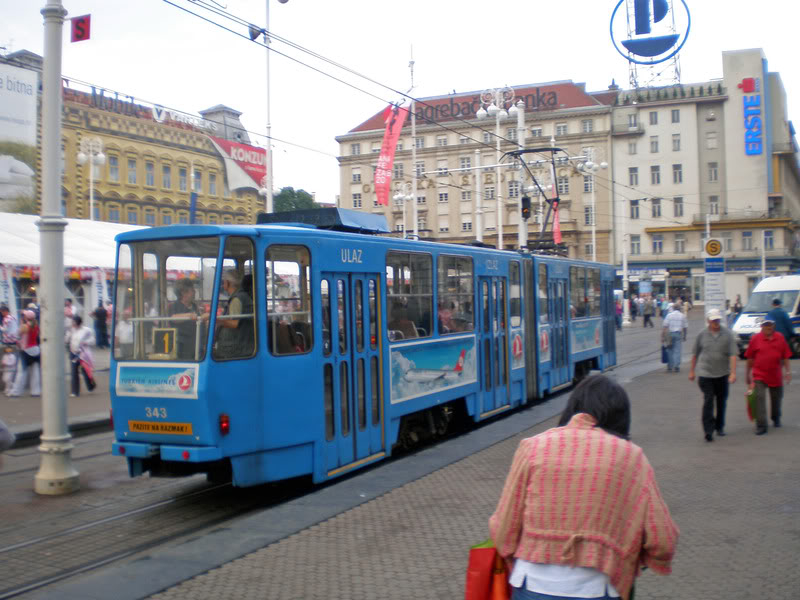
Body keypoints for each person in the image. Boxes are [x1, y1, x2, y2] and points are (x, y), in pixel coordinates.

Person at [489, 375, 679, 600]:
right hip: (598, 588)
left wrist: (517, 556)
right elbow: (662, 539)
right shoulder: (631, 457)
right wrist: (637, 559)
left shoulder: (532, 447)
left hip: (532, 585)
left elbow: (503, 528)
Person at [689, 308, 737, 442]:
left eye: (717, 320)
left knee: (721, 402)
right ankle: (708, 431)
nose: (716, 322)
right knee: (709, 400)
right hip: (705, 374)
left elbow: (733, 355)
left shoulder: (727, 334)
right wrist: (692, 371)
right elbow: (695, 354)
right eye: (713, 320)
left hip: (722, 374)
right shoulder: (702, 335)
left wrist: (733, 373)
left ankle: (719, 426)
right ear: (708, 321)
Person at [745, 318, 791, 435]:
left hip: (775, 374)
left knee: (776, 399)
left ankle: (775, 417)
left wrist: (788, 372)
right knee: (759, 398)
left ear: (773, 326)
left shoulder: (780, 337)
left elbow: (785, 356)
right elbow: (750, 358)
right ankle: (761, 425)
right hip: (759, 374)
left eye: (770, 325)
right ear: (762, 327)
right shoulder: (756, 339)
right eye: (765, 325)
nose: (768, 327)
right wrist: (747, 374)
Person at [212, 269, 254, 358]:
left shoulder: (236, 299)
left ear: (227, 283)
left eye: (223, 282)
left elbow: (235, 323)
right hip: (242, 346)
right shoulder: (242, 296)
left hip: (234, 349)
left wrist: (216, 319)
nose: (223, 284)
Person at [8, 310, 40, 397]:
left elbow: (15, 336)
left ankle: (16, 392)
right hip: (36, 350)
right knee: (35, 372)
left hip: (25, 351)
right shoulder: (37, 326)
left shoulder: (24, 327)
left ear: (26, 317)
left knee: (21, 372)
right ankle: (36, 392)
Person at [169, 279, 201, 359]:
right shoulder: (175, 306)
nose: (194, 292)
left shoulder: (194, 306)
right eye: (192, 290)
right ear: (184, 293)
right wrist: (190, 315)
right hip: (182, 348)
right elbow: (173, 318)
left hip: (196, 346)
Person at [65, 315, 96, 397]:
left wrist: (86, 342)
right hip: (73, 353)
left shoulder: (87, 330)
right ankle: (75, 391)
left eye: (74, 322)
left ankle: (91, 385)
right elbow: (67, 340)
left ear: (79, 322)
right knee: (74, 371)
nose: (73, 324)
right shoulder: (71, 330)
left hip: (83, 354)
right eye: (72, 322)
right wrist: (68, 334)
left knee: (85, 371)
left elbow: (93, 340)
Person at [662, 303, 688, 372]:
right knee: (677, 350)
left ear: (673, 308)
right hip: (678, 334)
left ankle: (670, 366)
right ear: (679, 308)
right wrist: (685, 336)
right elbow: (685, 327)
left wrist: (662, 337)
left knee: (670, 350)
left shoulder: (669, 315)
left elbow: (665, 327)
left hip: (670, 334)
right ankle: (676, 366)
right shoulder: (683, 316)